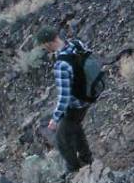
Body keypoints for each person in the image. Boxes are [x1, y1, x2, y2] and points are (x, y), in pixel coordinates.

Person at [38, 26, 101, 174]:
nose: (43, 49)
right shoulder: (76, 44)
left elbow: (64, 97)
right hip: (90, 95)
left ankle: (76, 171)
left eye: (43, 46)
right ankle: (87, 160)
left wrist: (55, 119)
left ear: (48, 43)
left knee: (61, 140)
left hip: (76, 104)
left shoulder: (61, 65)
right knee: (75, 126)